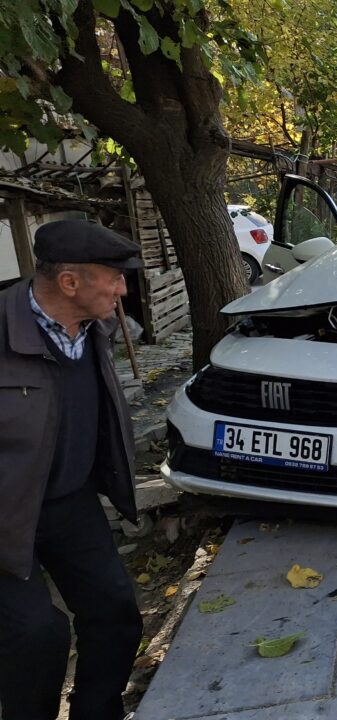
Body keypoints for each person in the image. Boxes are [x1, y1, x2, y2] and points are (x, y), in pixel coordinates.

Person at [0, 220, 143, 720]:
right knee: (37, 634)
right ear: (69, 283)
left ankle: (97, 712)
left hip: (68, 502)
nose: (124, 289)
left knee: (115, 611)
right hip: (4, 513)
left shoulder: (92, 329)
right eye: (115, 278)